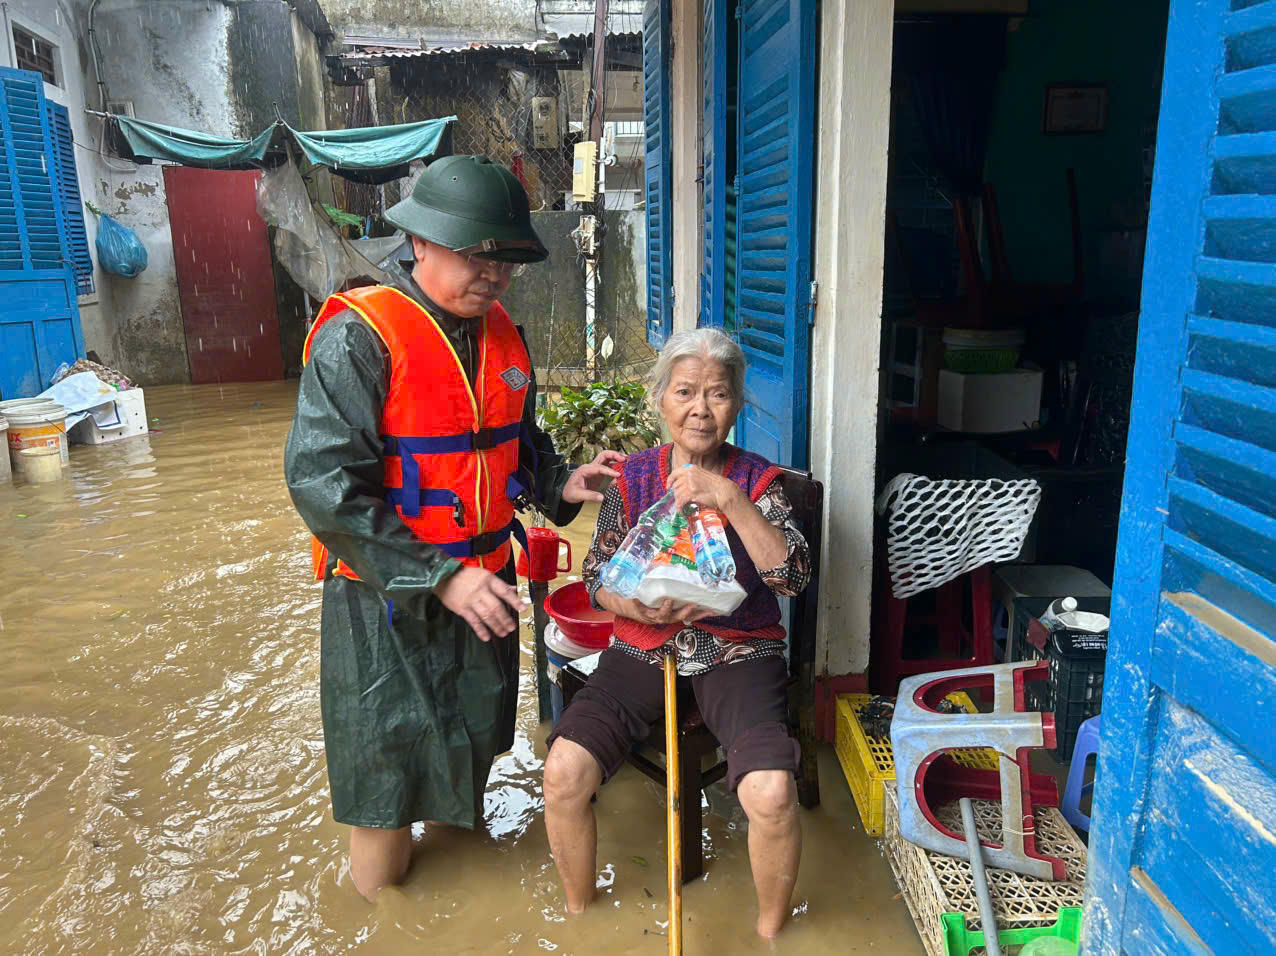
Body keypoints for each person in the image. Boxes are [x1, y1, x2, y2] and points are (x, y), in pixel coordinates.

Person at [284, 155, 623, 902]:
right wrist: (439, 575)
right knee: (386, 783)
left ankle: (456, 918)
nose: (493, 274)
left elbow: (513, 443)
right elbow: (323, 487)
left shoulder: (501, 335)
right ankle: (382, 924)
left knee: (467, 757)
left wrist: (557, 484)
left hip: (485, 585)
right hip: (385, 603)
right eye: (476, 254)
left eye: (505, 259)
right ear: (420, 243)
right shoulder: (359, 338)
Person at [542, 327, 812, 939]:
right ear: (661, 398)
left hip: (738, 650)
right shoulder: (635, 478)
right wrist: (636, 608)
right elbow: (596, 577)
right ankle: (581, 922)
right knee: (562, 774)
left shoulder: (757, 480)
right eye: (685, 391)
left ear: (737, 405)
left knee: (771, 794)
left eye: (718, 393)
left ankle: (772, 936)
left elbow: (792, 578)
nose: (700, 409)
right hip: (642, 646)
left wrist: (729, 498)